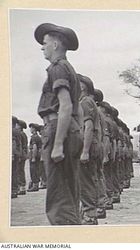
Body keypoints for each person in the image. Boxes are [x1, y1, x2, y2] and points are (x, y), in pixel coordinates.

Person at [35, 23, 83, 225]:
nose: (42, 47)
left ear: (55, 44)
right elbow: (77, 109)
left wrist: (58, 144)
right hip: (68, 128)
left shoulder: (58, 68)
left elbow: (64, 106)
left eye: (44, 43)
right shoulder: (69, 68)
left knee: (58, 196)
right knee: (69, 190)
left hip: (57, 128)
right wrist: (75, 133)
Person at [78, 74, 102, 225]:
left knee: (85, 180)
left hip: (88, 146)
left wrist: (85, 150)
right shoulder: (86, 101)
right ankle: (88, 211)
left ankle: (89, 215)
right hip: (91, 145)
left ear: (83, 86)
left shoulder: (85, 102)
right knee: (88, 179)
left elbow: (88, 127)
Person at [28, 123, 42, 192]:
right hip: (37, 156)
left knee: (33, 170)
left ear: (34, 129)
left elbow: (34, 147)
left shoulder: (34, 137)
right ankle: (35, 185)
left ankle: (35, 186)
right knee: (36, 170)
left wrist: (33, 157)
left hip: (34, 156)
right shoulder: (37, 137)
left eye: (31, 128)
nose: (30, 129)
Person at [16, 119, 28, 195]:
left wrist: (19, 155)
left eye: (17, 125)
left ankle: (21, 187)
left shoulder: (20, 134)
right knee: (21, 170)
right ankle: (22, 187)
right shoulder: (23, 134)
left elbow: (20, 145)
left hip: (21, 154)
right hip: (23, 153)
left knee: (19, 170)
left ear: (20, 126)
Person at [11, 116, 21, 198]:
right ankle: (15, 190)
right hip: (17, 153)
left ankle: (13, 191)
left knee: (12, 172)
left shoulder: (11, 130)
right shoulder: (17, 131)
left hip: (13, 153)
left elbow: (13, 143)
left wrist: (12, 154)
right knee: (15, 172)